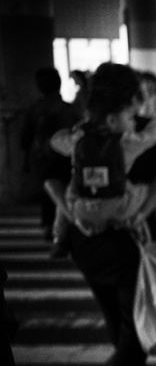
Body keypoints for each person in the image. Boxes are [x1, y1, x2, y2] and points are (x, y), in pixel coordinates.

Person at [42, 62, 156, 366]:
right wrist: (145, 211)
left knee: (113, 310)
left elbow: (50, 176)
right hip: (131, 233)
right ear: (130, 98)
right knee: (135, 317)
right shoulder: (139, 133)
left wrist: (71, 214)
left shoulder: (77, 135)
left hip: (85, 239)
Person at [21, 67, 82, 253]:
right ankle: (59, 232)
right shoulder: (68, 109)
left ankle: (53, 228)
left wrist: (26, 159)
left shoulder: (34, 109)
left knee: (51, 193)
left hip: (40, 156)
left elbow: (26, 138)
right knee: (63, 192)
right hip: (65, 155)